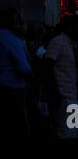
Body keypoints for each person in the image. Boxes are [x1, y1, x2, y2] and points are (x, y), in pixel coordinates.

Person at [45, 14, 78, 139]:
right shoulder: (58, 41)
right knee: (64, 132)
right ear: (70, 28)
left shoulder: (72, 45)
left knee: (73, 132)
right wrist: (54, 91)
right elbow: (48, 65)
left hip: (73, 97)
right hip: (62, 97)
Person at [0, 8, 32, 139]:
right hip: (12, 90)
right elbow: (25, 68)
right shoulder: (13, 41)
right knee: (18, 128)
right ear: (13, 24)